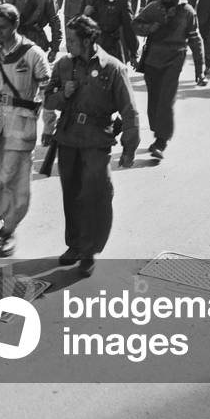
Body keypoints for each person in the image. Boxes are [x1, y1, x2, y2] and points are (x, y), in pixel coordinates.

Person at [43, 15, 140, 278]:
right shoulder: (63, 65)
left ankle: (89, 250)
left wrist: (130, 147)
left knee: (95, 194)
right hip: (68, 139)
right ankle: (74, 245)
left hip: (97, 141)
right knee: (71, 194)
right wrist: (64, 94)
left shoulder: (113, 68)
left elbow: (129, 111)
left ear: (88, 40)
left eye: (73, 39)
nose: (68, 44)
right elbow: (47, 100)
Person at [0, 4, 51, 257]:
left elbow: (46, 87)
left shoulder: (33, 53)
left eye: (4, 27)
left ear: (15, 25)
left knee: (15, 179)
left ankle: (9, 229)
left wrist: (43, 117)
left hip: (21, 121)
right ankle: (4, 219)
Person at [131, 0, 204, 160]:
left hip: (175, 57)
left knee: (166, 100)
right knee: (154, 100)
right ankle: (158, 131)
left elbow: (195, 40)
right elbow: (135, 24)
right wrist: (149, 28)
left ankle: (161, 141)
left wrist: (200, 69)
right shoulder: (154, 8)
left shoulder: (188, 12)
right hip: (153, 59)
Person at [6, 0, 62, 144]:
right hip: (17, 45)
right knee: (17, 88)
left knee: (46, 90)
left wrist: (55, 47)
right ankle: (18, 127)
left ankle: (48, 128)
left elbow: (55, 23)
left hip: (37, 45)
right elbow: (4, 22)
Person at [82, 0, 138, 66]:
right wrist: (84, 15)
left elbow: (129, 29)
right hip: (93, 48)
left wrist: (133, 53)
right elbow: (76, 25)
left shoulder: (123, 0)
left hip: (113, 49)